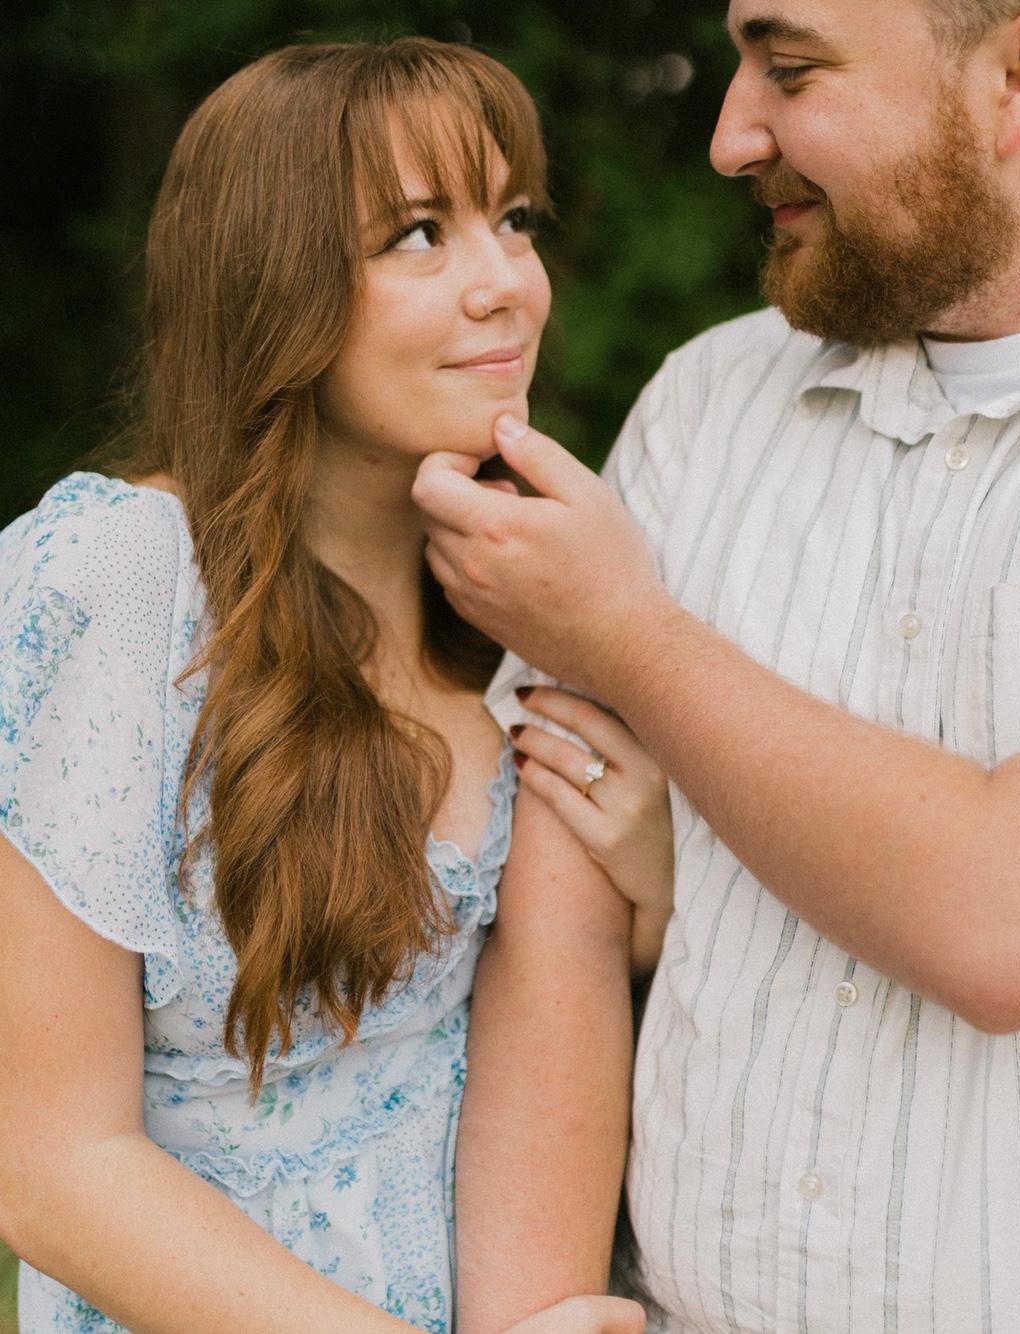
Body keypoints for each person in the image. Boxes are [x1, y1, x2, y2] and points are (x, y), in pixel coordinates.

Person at [412, 1, 1020, 1329]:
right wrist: (534, 1310)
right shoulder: (707, 397)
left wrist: (623, 633)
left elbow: (1014, 919)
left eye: (789, 70)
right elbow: (561, 902)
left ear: (1019, 73)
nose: (732, 135)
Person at [0, 38, 667, 1334]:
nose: (504, 285)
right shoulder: (115, 580)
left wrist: (657, 895)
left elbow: (552, 1034)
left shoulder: (529, 612)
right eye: (418, 234)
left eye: (510, 218)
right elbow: (49, 1162)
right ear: (273, 289)